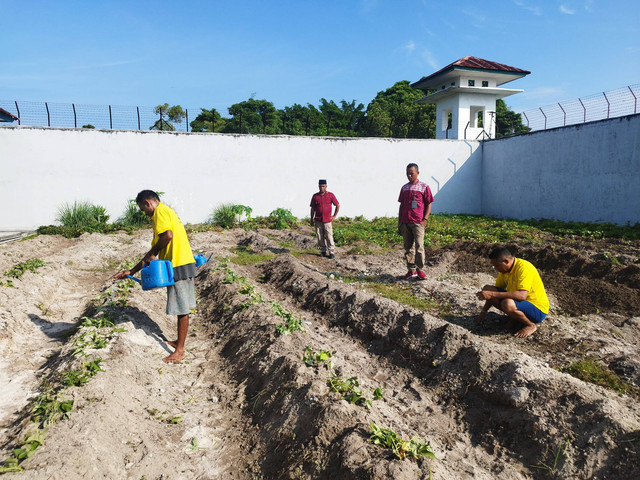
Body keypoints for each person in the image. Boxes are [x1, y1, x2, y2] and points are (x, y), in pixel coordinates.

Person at [115, 190, 197, 363]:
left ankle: (180, 351)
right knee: (182, 305)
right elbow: (153, 254)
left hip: (178, 264)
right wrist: (133, 271)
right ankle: (178, 342)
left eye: (143, 209)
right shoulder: (167, 211)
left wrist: (153, 252)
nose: (145, 213)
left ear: (147, 203)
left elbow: (167, 236)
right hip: (182, 262)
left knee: (182, 308)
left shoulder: (159, 212)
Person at [476, 247, 550, 338]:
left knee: (507, 303)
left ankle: (530, 325)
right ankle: (514, 319)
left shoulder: (524, 268)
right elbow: (492, 293)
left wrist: (491, 294)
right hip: (520, 304)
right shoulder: (504, 271)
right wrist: (484, 311)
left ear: (506, 261)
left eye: (497, 266)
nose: (496, 269)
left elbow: (522, 296)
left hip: (537, 310)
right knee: (488, 288)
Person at [398, 163, 434, 280]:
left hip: (418, 222)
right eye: (407, 173)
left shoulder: (424, 187)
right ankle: (411, 270)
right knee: (408, 248)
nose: (409, 175)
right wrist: (400, 222)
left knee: (419, 247)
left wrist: (425, 219)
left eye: (411, 173)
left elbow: (429, 204)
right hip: (405, 221)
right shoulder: (404, 188)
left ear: (417, 173)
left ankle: (420, 270)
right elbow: (402, 205)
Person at [309, 179, 340, 259]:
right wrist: (311, 219)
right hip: (318, 220)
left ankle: (331, 252)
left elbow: (337, 205)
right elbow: (312, 208)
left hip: (327, 220)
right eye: (320, 186)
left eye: (323, 186)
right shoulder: (315, 196)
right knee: (320, 236)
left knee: (329, 236)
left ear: (326, 186)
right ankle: (323, 251)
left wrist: (334, 216)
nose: (321, 188)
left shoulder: (330, 195)